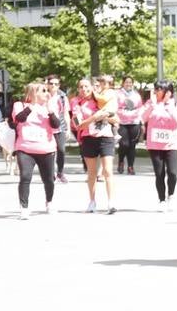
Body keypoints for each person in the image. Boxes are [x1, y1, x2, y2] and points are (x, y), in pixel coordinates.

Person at [10, 81, 60, 219]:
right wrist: (32, 106)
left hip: (46, 148)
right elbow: (19, 118)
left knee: (49, 179)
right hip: (25, 148)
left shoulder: (50, 106)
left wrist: (50, 110)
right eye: (43, 91)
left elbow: (56, 125)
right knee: (25, 177)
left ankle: (49, 202)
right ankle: (24, 208)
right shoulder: (19, 105)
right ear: (33, 93)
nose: (47, 93)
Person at [70, 76, 118, 213]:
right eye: (81, 87)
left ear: (93, 87)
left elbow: (115, 118)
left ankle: (111, 202)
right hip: (88, 138)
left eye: (86, 86)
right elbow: (78, 125)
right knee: (92, 173)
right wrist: (94, 118)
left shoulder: (102, 100)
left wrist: (105, 116)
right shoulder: (76, 103)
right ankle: (92, 202)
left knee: (108, 170)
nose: (84, 89)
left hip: (105, 137)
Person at [143, 82, 177, 210]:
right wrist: (152, 105)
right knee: (159, 173)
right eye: (155, 89)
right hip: (155, 143)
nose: (156, 92)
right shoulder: (151, 103)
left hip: (171, 143)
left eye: (159, 89)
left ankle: (171, 195)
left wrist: (167, 104)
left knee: (172, 172)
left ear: (168, 92)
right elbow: (143, 117)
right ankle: (161, 199)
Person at [115, 76, 145, 175]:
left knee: (132, 145)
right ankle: (121, 161)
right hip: (122, 122)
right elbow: (115, 107)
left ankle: (131, 166)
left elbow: (140, 108)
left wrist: (141, 121)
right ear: (123, 83)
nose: (128, 84)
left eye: (130, 82)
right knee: (124, 144)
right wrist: (123, 113)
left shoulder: (136, 95)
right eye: (126, 82)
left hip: (134, 122)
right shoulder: (118, 94)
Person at [45, 75, 70, 183]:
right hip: (46, 128)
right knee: (49, 152)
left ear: (59, 85)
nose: (53, 86)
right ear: (48, 84)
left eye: (56, 84)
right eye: (51, 84)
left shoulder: (63, 97)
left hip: (60, 127)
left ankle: (60, 172)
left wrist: (68, 128)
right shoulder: (43, 95)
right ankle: (50, 174)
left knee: (61, 150)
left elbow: (65, 113)